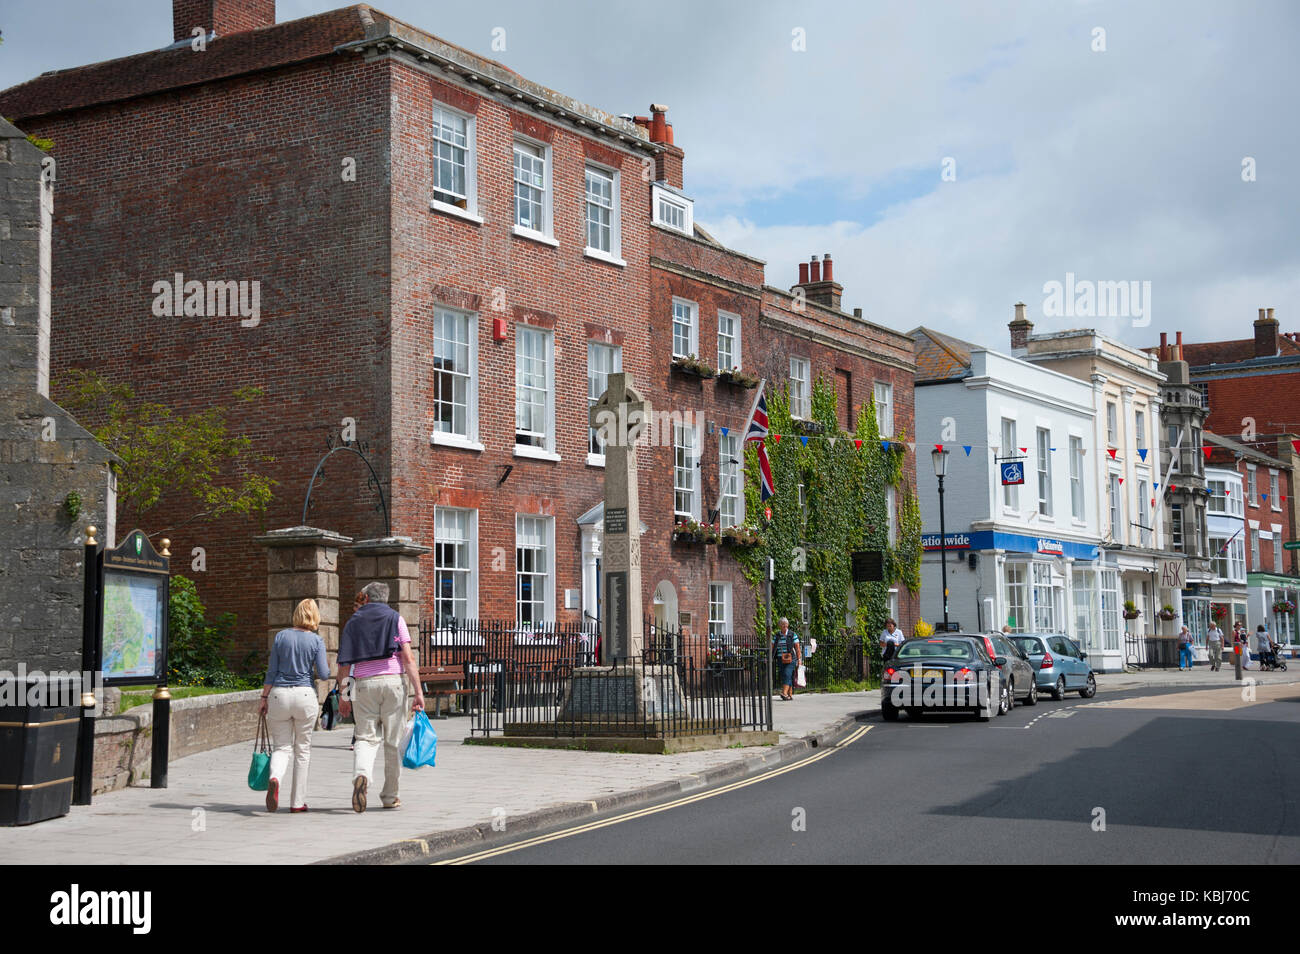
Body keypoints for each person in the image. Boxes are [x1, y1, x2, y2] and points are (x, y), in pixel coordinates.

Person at [336, 582, 425, 812]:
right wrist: (418, 692)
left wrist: (344, 697)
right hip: (393, 683)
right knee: (393, 742)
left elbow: (344, 664)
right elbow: (408, 659)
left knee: (365, 737)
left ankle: (361, 775)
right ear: (386, 598)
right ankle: (389, 796)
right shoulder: (396, 618)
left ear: (365, 598)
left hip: (364, 684)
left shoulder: (353, 622)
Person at [260, 598, 331, 813]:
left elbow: (271, 671)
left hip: (279, 695)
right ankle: (297, 803)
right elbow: (325, 674)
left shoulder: (281, 636)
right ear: (315, 616)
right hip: (304, 695)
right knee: (302, 750)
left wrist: (264, 698)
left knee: (282, 747)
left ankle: (274, 777)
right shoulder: (316, 641)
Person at [772, 617, 802, 701]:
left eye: (785, 625)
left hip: (791, 658)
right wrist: (769, 657)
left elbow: (797, 648)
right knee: (785, 675)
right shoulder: (777, 635)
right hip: (780, 658)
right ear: (779, 626)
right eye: (782, 626)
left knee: (787, 674)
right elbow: (772, 647)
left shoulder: (792, 634)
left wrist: (799, 659)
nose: (784, 627)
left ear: (787, 625)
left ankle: (784, 693)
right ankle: (790, 694)